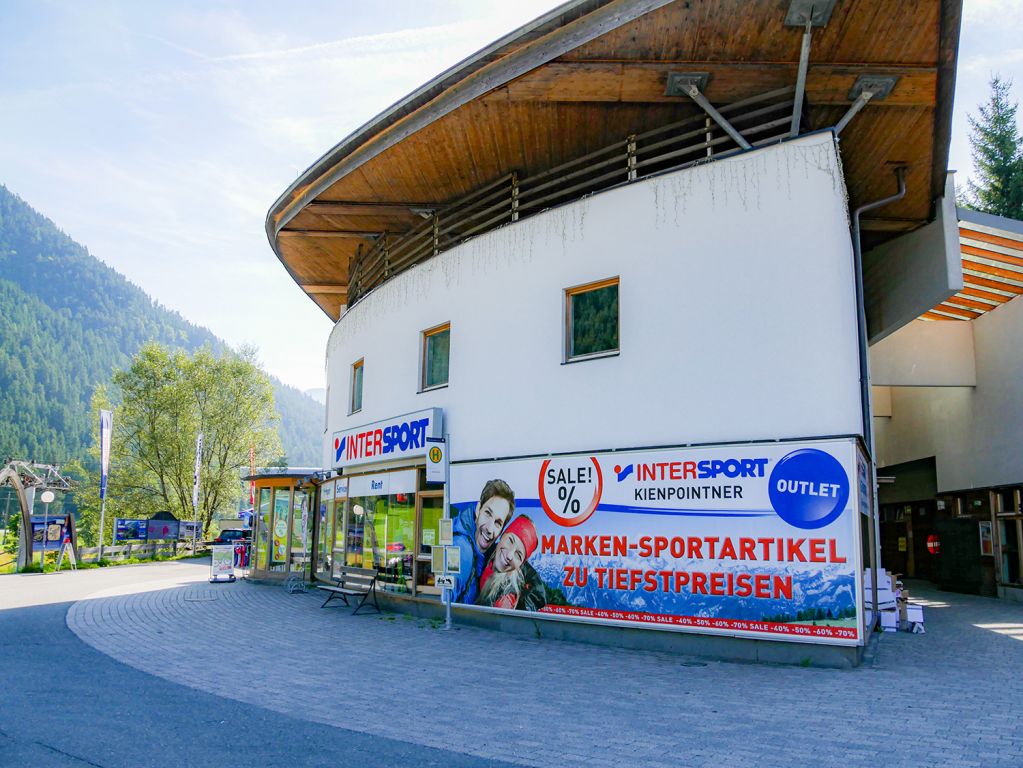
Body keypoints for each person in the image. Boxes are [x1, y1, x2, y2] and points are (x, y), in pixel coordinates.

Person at [452, 479, 514, 604]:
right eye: (488, 513)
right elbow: (445, 603)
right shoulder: (463, 551)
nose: (490, 529)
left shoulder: (484, 553)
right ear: (478, 508)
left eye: (498, 523)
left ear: (502, 530)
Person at [476, 514, 539, 610]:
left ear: (520, 565)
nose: (509, 555)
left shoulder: (506, 599)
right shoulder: (484, 555)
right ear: (502, 536)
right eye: (510, 540)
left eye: (518, 555)